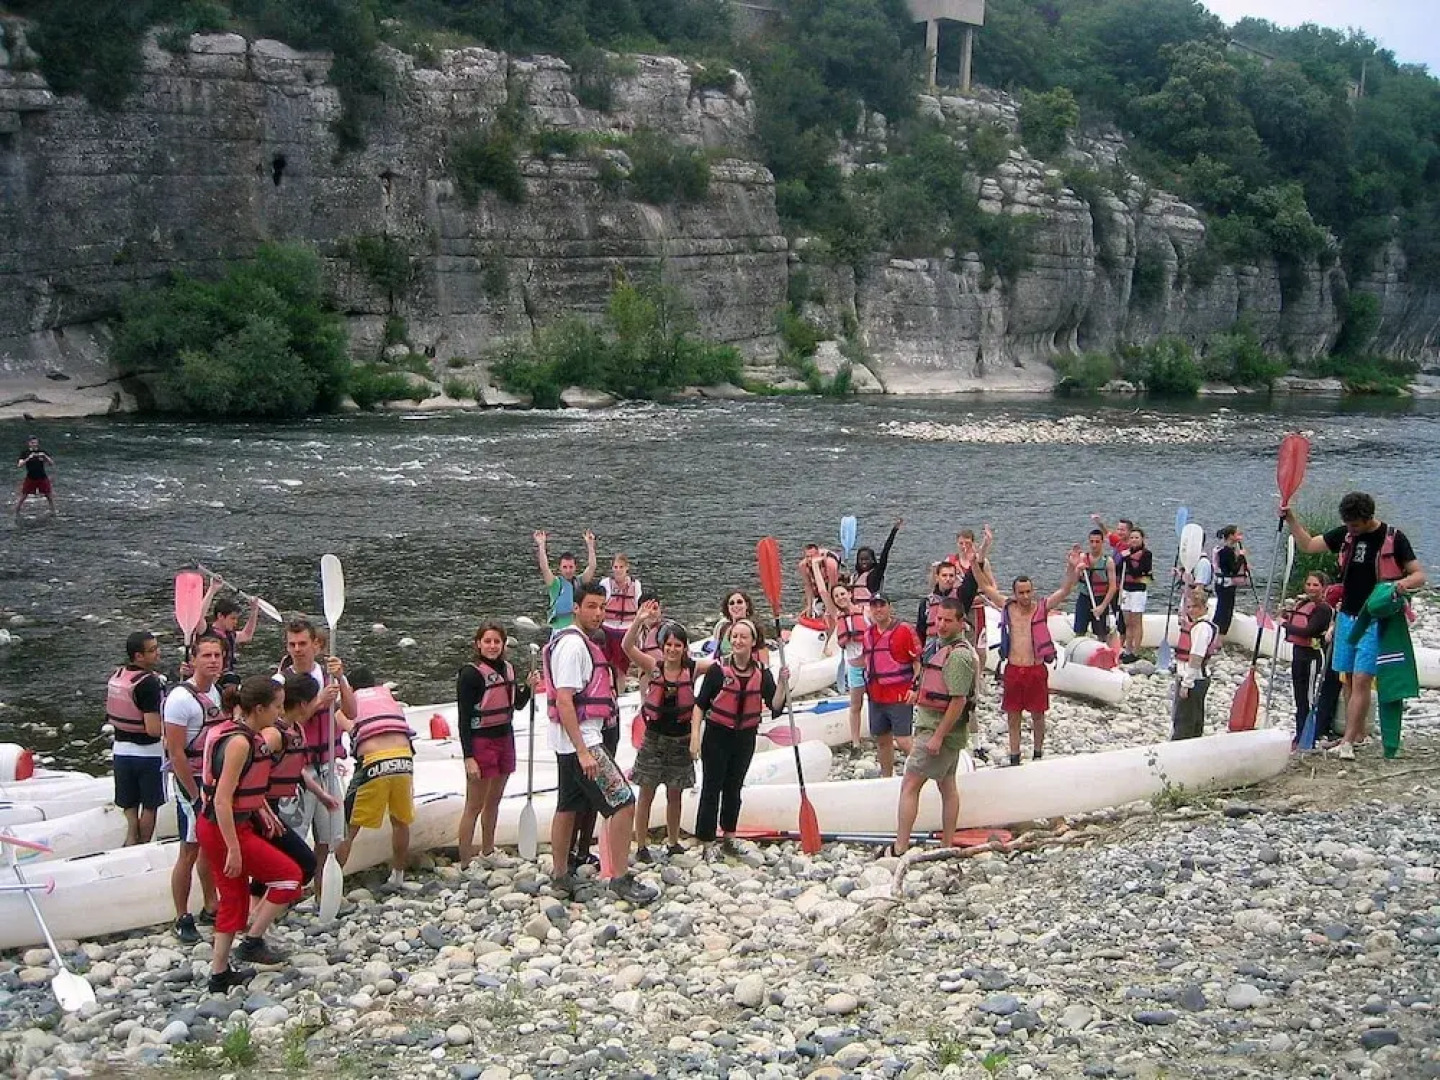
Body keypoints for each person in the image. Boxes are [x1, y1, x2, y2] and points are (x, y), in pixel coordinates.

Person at [1284, 492, 1426, 758]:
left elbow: (1418, 574)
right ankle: (1356, 734)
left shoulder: (1393, 538)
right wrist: (1291, 518)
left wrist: (1399, 585)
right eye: (1348, 525)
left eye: (1356, 526)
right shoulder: (1346, 534)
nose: (1351, 530)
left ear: (1368, 518)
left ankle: (1347, 741)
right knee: (1347, 677)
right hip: (1347, 616)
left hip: (1376, 619)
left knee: (1362, 678)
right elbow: (1308, 545)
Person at [543, 583, 656, 904]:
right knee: (623, 802)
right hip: (583, 743)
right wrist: (583, 751)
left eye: (601, 607)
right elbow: (565, 700)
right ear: (575, 608)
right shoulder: (574, 647)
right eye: (591, 606)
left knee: (568, 806)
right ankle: (620, 878)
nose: (598, 613)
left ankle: (561, 875)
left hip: (569, 742)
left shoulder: (575, 642)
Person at [196, 675, 301, 993]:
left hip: (216, 825)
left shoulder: (226, 730)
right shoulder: (240, 743)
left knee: (234, 898)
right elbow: (224, 798)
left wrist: (261, 809)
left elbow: (235, 790)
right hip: (224, 829)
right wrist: (234, 849)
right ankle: (252, 940)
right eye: (277, 708)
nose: (280, 715)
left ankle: (219, 973)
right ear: (259, 709)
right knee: (289, 876)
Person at [236, 672, 334, 966]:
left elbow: (296, 768)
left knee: (270, 871)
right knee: (303, 865)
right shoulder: (274, 733)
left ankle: (255, 925)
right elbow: (251, 770)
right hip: (261, 811)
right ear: (303, 704)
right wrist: (262, 808)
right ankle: (253, 935)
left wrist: (321, 794)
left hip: (272, 809)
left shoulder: (294, 729)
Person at [275, 618, 356, 906]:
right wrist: (320, 702)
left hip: (327, 764)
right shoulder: (281, 683)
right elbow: (283, 724)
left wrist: (342, 679)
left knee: (328, 839)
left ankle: (323, 894)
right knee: (293, 836)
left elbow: (351, 710)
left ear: (316, 645)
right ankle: (283, 896)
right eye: (292, 644)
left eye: (302, 644)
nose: (297, 650)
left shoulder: (328, 675)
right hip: (298, 771)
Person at [976, 548, 1082, 766]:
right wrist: (975, 562)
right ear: (1014, 593)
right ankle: (1014, 755)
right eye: (1020, 593)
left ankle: (1038, 752)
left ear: (1032, 591)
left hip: (1036, 669)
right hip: (1014, 669)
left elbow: (1065, 590)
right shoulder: (1007, 607)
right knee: (1013, 715)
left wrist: (1072, 568)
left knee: (1038, 714)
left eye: (1028, 592)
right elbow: (985, 587)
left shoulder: (1041, 608)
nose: (1025, 597)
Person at [692, 618, 788, 854]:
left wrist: (784, 684)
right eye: (734, 636)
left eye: (743, 637)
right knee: (712, 786)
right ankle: (705, 839)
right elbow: (700, 705)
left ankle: (729, 834)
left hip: (744, 737)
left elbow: (775, 705)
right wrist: (695, 737)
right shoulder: (718, 670)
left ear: (753, 642)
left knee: (734, 787)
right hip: (716, 734)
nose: (737, 641)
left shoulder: (762, 674)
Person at [892, 597, 977, 855]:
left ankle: (900, 847)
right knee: (947, 785)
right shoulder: (937, 647)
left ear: (961, 623)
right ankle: (947, 844)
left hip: (938, 731)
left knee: (909, 785)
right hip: (935, 727)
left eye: (948, 621)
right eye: (939, 619)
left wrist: (938, 737)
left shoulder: (959, 656)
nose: (941, 625)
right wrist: (917, 695)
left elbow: (958, 701)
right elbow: (932, 682)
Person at [623, 603, 702, 861]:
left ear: (684, 648)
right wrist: (638, 621)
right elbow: (627, 647)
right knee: (646, 792)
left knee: (674, 793)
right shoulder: (653, 666)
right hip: (654, 740)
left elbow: (721, 667)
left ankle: (673, 841)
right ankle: (642, 845)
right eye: (668, 645)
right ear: (662, 646)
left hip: (681, 740)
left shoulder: (692, 669)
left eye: (677, 645)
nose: (672, 650)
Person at [456, 623, 538, 865]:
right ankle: (464, 862)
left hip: (505, 738)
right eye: (487, 641)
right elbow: (463, 719)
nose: (492, 646)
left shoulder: (508, 669)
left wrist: (528, 687)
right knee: (474, 805)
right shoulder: (470, 674)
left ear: (503, 645)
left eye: (496, 642)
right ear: (478, 644)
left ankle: (488, 852)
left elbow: (517, 704)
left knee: (494, 801)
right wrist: (468, 756)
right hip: (481, 741)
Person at [164, 634, 224, 942]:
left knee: (209, 846)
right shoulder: (179, 700)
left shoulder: (214, 692)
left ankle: (211, 903)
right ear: (194, 660)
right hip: (191, 782)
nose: (213, 660)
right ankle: (181, 916)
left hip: (211, 778)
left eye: (217, 655)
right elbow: (175, 753)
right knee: (188, 850)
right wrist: (193, 794)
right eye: (207, 656)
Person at [336, 672, 416, 888]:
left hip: (374, 761)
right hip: (404, 759)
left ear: (349, 690)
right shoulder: (387, 697)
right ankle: (398, 876)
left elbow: (350, 730)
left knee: (347, 828)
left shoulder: (346, 705)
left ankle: (329, 886)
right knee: (400, 821)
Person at [108, 631, 167, 846]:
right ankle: (142, 847)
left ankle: (130, 841)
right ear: (138, 656)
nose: (158, 653)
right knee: (150, 806)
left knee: (129, 805)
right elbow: (152, 729)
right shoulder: (149, 683)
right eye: (152, 650)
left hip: (121, 752)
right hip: (148, 755)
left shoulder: (117, 676)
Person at [862, 595, 924, 778]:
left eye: (882, 605)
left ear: (889, 607)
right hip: (876, 695)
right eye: (874, 606)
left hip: (899, 694)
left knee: (904, 740)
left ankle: (925, 772)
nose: (878, 610)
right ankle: (886, 777)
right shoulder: (868, 634)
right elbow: (865, 662)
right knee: (882, 739)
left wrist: (915, 688)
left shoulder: (904, 630)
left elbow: (918, 662)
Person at [816, 578, 870, 751]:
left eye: (842, 594)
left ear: (850, 594)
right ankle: (855, 742)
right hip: (855, 668)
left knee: (878, 702)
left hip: (872, 666)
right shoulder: (836, 616)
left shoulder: (865, 611)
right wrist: (816, 566)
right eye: (836, 596)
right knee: (855, 705)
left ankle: (884, 734)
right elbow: (823, 592)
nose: (840, 598)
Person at [1282, 572, 1334, 747]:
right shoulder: (1303, 603)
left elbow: (1309, 631)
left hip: (1313, 655)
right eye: (1309, 584)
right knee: (1299, 698)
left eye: (1316, 585)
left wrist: (1285, 625)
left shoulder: (1324, 609)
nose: (1311, 588)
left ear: (1323, 588)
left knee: (1309, 698)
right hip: (1298, 653)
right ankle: (1299, 735)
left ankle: (1310, 736)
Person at [1171, 587, 1219, 740]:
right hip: (1197, 679)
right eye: (1189, 607)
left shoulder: (1201, 628)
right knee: (1193, 718)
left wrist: (1187, 683)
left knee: (1184, 720)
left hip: (1194, 680)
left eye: (1194, 607)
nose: (1190, 611)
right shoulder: (1200, 625)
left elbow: (1196, 658)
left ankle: (1180, 750)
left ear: (1203, 607)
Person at [534, 530, 597, 631]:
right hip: (559, 628)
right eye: (565, 567)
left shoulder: (579, 582)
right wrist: (541, 545)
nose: (568, 570)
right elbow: (544, 567)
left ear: (575, 567)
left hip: (576, 627)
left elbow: (592, 567)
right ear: (560, 568)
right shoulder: (555, 584)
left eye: (571, 567)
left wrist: (590, 545)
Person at [945, 525, 993, 643]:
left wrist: (978, 597)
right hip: (959, 609)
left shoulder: (982, 562)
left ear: (973, 544)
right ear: (957, 544)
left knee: (980, 646)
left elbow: (992, 587)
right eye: (961, 543)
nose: (964, 547)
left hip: (977, 609)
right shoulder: (950, 562)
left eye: (967, 543)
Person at [600, 554, 642, 680]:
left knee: (621, 667)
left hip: (626, 629)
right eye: (615, 567)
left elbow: (639, 608)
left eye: (621, 567)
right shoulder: (606, 583)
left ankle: (620, 691)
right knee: (604, 663)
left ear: (627, 568)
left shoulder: (636, 585)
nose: (618, 570)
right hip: (607, 628)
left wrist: (638, 632)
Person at [1075, 529, 1119, 645]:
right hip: (1084, 597)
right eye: (1092, 541)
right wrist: (1078, 570)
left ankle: (1103, 651)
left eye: (1097, 542)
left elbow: (1113, 587)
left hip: (1100, 599)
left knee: (1101, 632)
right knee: (1079, 630)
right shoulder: (1082, 558)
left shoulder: (1108, 561)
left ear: (1102, 542)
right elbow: (1073, 580)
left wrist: (1102, 607)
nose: (1094, 545)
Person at [850, 518, 902, 616]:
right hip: (856, 612)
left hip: (870, 614)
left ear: (873, 560)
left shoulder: (875, 575)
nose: (864, 562)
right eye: (861, 560)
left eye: (866, 559)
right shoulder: (855, 577)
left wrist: (894, 531)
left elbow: (885, 553)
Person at [707, 590, 770, 666]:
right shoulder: (723, 628)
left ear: (746, 605)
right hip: (724, 671)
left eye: (739, 602)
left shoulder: (755, 628)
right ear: (728, 608)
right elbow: (716, 654)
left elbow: (763, 655)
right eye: (731, 603)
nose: (735, 605)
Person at [1118, 529, 1153, 661]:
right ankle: (1128, 649)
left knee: (1136, 621)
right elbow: (1119, 570)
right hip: (1126, 590)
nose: (1133, 540)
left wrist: (1127, 559)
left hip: (1138, 591)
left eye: (1136, 537)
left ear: (1142, 539)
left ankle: (1136, 651)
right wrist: (1123, 559)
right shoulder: (1126, 554)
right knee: (1127, 622)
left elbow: (1137, 573)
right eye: (1132, 537)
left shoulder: (1146, 554)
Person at [1210, 526, 1251, 635]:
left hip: (1222, 584)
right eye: (1238, 534)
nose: (1240, 536)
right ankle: (1218, 637)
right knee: (1225, 613)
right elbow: (1233, 570)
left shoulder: (1226, 550)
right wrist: (1242, 557)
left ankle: (1216, 635)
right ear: (1231, 536)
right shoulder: (1226, 551)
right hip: (1226, 586)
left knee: (1222, 610)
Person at [206, 596, 260, 675]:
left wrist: (254, 611)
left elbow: (247, 635)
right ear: (220, 616)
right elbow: (200, 617)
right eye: (232, 618)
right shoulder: (207, 633)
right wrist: (212, 589)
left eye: (236, 619)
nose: (235, 622)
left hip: (227, 676)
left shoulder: (230, 634)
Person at [916, 561, 963, 645]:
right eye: (944, 575)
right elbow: (920, 631)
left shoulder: (962, 597)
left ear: (955, 578)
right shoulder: (926, 602)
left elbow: (972, 582)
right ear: (937, 577)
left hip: (955, 643)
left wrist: (974, 561)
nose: (948, 579)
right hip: (932, 645)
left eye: (951, 575)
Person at [14, 436, 56, 519]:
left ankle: (53, 511)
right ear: (29, 443)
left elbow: (51, 463)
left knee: (49, 495)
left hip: (42, 477)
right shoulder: (25, 453)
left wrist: (45, 456)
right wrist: (29, 458)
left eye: (36, 443)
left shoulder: (42, 452)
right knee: (24, 495)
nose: (34, 445)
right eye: (32, 443)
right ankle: (17, 511)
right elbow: (19, 465)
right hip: (30, 478)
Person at [798, 543, 842, 618]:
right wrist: (809, 606)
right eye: (807, 557)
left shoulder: (830, 564)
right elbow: (808, 586)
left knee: (831, 606)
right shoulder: (803, 565)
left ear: (818, 555)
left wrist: (829, 608)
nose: (809, 559)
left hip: (832, 581)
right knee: (814, 607)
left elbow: (833, 586)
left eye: (812, 556)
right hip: (819, 584)